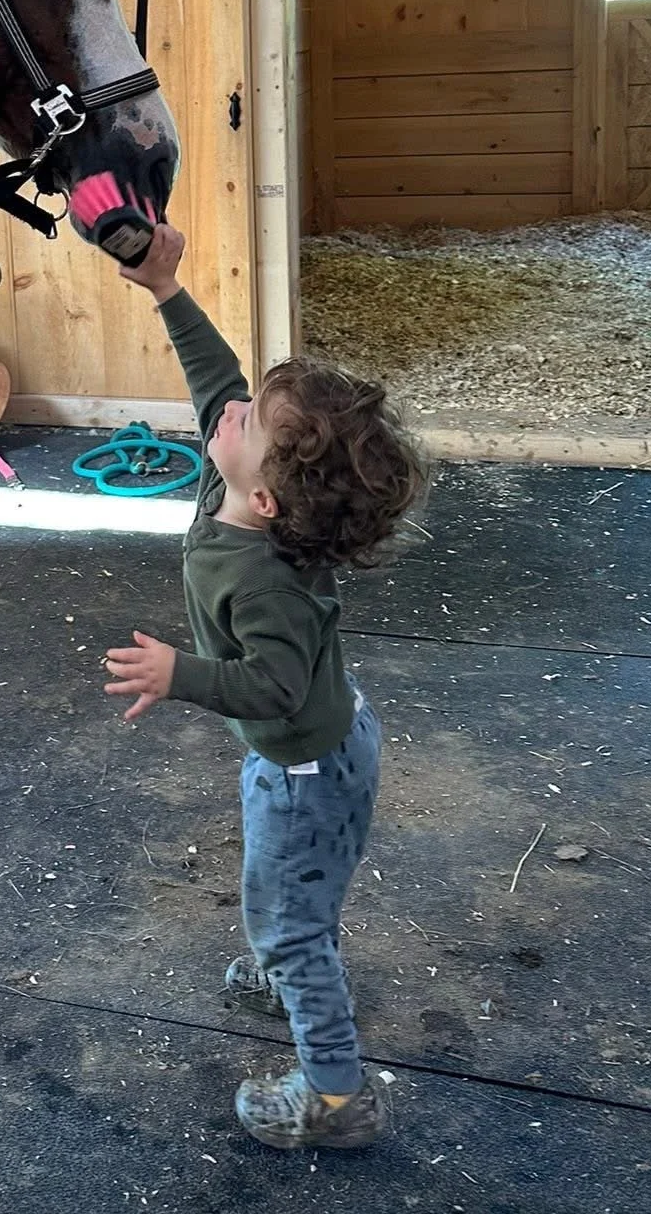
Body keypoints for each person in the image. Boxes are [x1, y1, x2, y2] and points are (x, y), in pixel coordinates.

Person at [104, 223, 425, 1150]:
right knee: (285, 893)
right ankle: (284, 951)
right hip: (315, 748)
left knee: (293, 926)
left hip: (307, 764)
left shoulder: (265, 580)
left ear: (270, 500)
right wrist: (167, 288)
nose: (230, 413)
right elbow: (218, 383)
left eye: (249, 420)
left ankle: (336, 1100)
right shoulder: (239, 482)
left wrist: (181, 675)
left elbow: (275, 689)